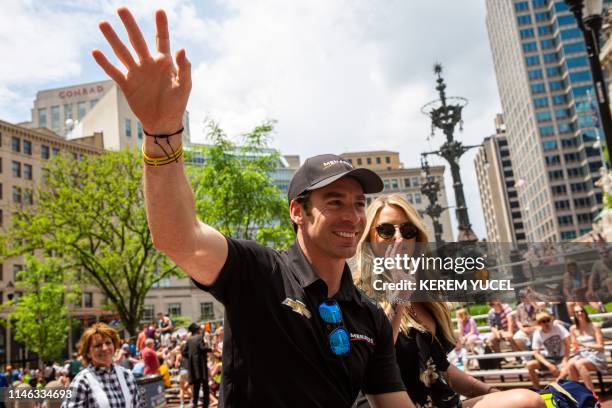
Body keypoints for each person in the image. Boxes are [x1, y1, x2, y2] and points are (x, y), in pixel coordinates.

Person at [93, 7, 414, 407]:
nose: (352, 215)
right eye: (334, 202)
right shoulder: (259, 272)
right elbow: (179, 237)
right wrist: (161, 132)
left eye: (358, 203)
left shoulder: (369, 316)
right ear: (298, 211)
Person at [352, 194, 544, 408]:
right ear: (369, 237)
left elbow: (439, 366)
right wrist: (398, 297)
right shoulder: (358, 292)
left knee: (529, 399)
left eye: (408, 231)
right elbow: (375, 357)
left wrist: (489, 391)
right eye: (386, 231)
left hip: (439, 401)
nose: (399, 238)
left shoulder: (424, 292)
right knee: (528, 402)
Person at [61, 323, 143, 407]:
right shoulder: (82, 382)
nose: (105, 348)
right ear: (88, 353)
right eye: (98, 345)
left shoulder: (127, 376)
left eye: (108, 343)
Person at [561, 305, 607, 394]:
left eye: (581, 311)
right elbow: (574, 346)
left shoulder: (594, 326)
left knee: (579, 363)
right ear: (574, 314)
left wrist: (584, 345)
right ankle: (576, 394)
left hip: (596, 355)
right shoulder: (573, 328)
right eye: (577, 312)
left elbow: (601, 346)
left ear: (585, 312)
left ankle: (591, 394)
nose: (580, 313)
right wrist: (574, 348)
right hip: (581, 355)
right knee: (570, 363)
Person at [525, 311, 570, 389]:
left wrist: (565, 359)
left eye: (548, 320)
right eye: (543, 321)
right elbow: (536, 353)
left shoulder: (558, 328)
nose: (546, 323)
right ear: (539, 323)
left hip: (563, 357)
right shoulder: (537, 334)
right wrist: (549, 365)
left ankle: (555, 386)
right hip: (550, 359)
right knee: (530, 365)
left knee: (566, 368)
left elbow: (568, 344)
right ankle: (537, 389)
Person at [183, 323, 212, 408]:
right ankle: (205, 405)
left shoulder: (189, 340)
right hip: (201, 366)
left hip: (193, 367)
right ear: (197, 330)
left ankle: (195, 403)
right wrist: (209, 349)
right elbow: (202, 348)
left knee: (196, 387)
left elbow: (184, 352)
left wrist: (191, 356)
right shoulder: (200, 337)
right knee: (205, 386)